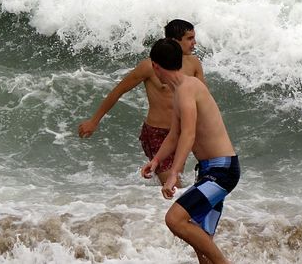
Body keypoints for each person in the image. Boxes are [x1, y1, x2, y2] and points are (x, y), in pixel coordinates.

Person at [140, 39, 239, 264]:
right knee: (200, 242)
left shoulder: (187, 89)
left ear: (155, 66)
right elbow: (174, 135)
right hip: (209, 169)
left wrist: (174, 172)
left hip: (222, 170)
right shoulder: (180, 91)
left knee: (175, 219)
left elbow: (188, 134)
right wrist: (156, 161)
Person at [78, 19, 204, 187]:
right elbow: (118, 90)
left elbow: (202, 99)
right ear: (175, 41)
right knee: (176, 189)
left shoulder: (194, 63)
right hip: (157, 134)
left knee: (192, 181)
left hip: (183, 133)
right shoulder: (150, 66)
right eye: (189, 38)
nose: (194, 43)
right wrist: (94, 121)